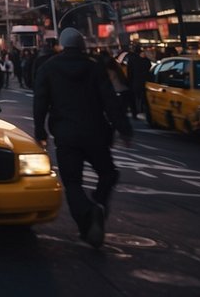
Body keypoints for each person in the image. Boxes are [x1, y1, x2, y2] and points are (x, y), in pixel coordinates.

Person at [33, 27, 133, 249]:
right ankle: (98, 203)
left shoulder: (49, 67)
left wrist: (40, 133)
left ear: (61, 44)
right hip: (96, 131)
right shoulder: (94, 67)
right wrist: (124, 129)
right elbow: (110, 101)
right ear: (82, 45)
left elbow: (40, 102)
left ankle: (87, 218)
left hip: (66, 134)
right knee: (108, 173)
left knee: (72, 183)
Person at [123, 45, 151, 118]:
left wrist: (129, 81)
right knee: (143, 97)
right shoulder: (145, 60)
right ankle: (143, 110)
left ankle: (135, 112)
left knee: (134, 97)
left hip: (135, 81)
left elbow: (130, 72)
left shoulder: (132, 60)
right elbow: (149, 66)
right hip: (145, 81)